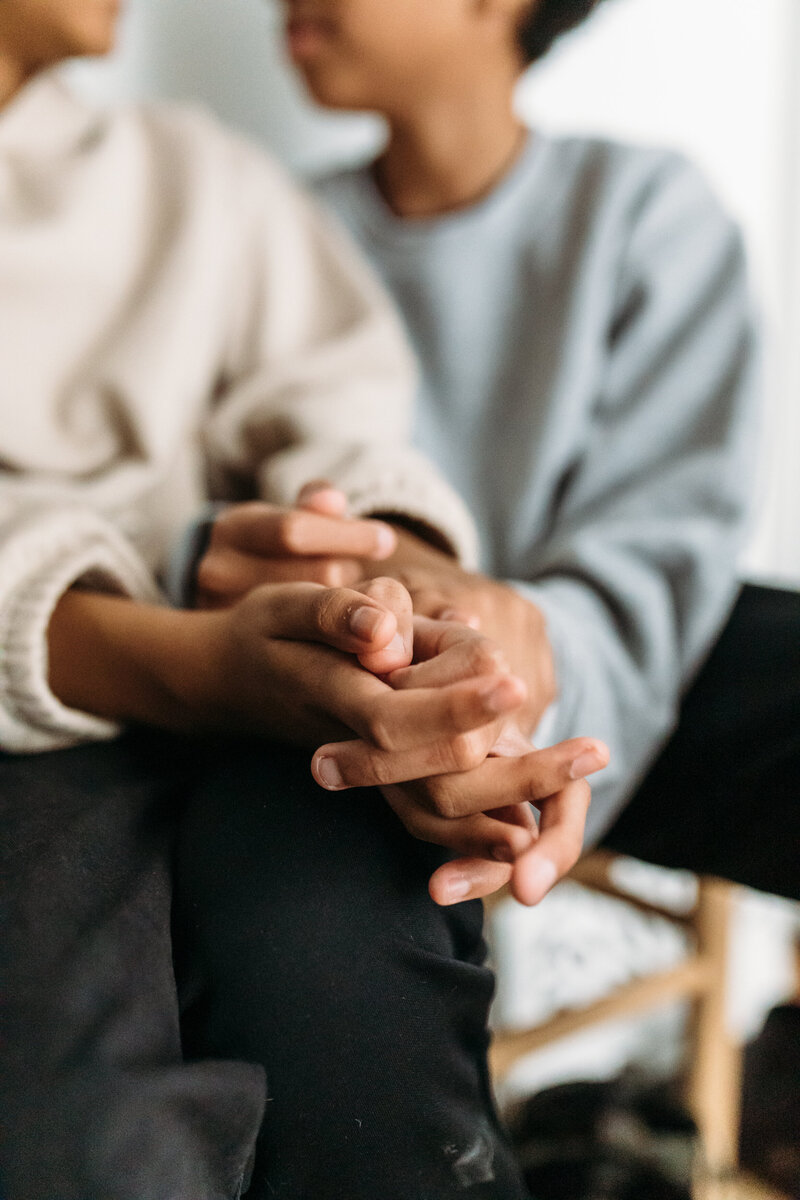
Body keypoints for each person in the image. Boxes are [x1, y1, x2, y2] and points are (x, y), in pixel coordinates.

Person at [0, 3, 610, 1198]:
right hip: (117, 693)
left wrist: (422, 614)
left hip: (256, 689)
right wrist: (194, 652)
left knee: (349, 968)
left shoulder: (198, 179)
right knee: (82, 1134)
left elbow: (342, 425)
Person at [246, 0, 795, 906]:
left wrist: (518, 678)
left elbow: (658, 547)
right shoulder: (277, 234)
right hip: (358, 679)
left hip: (603, 672)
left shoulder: (644, 212)